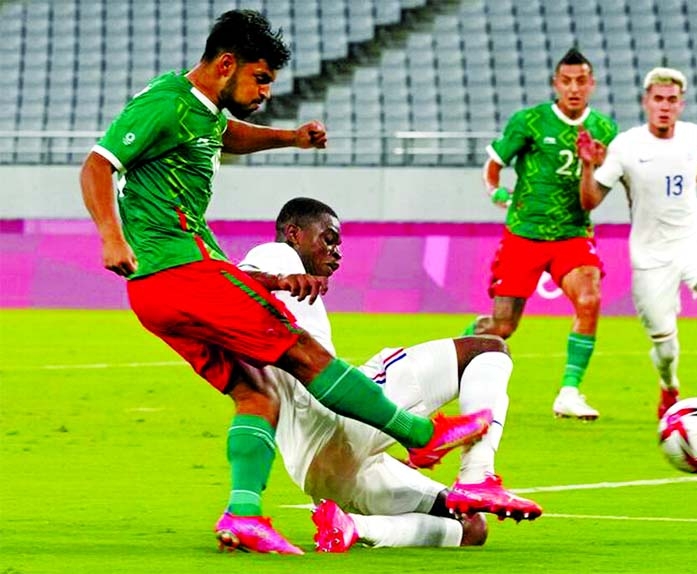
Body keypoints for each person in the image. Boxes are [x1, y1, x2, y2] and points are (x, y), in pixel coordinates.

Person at [78, 10, 491, 555]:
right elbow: (98, 164)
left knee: (256, 391)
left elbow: (228, 137)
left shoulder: (202, 113)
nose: (266, 91)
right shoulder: (166, 103)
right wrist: (111, 236)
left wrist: (290, 138)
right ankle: (421, 437)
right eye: (261, 78)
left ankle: (243, 515)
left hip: (160, 290)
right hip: (180, 270)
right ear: (227, 64)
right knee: (300, 350)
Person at [236, 197, 542, 553]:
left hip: (317, 472)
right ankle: (477, 476)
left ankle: (354, 526)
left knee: (472, 527)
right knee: (489, 349)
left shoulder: (287, 300)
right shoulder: (276, 255)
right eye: (328, 238)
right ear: (293, 233)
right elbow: (235, 281)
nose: (337, 252)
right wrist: (277, 277)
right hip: (337, 420)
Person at [577, 66, 697, 421]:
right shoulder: (626, 147)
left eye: (672, 100)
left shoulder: (692, 135)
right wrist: (588, 167)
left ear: (681, 105)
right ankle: (669, 387)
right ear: (645, 102)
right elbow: (590, 202)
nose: (664, 106)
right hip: (651, 254)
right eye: (658, 99)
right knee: (664, 347)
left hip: (694, 237)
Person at [464, 48, 618, 420]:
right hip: (524, 236)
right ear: (556, 84)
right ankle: (449, 362)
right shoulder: (530, 122)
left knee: (589, 298)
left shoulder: (605, 131)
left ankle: (569, 392)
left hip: (572, 234)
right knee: (502, 327)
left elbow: (593, 197)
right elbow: (493, 165)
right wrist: (497, 193)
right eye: (566, 81)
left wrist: (589, 166)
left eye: (581, 80)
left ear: (592, 84)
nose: (574, 87)